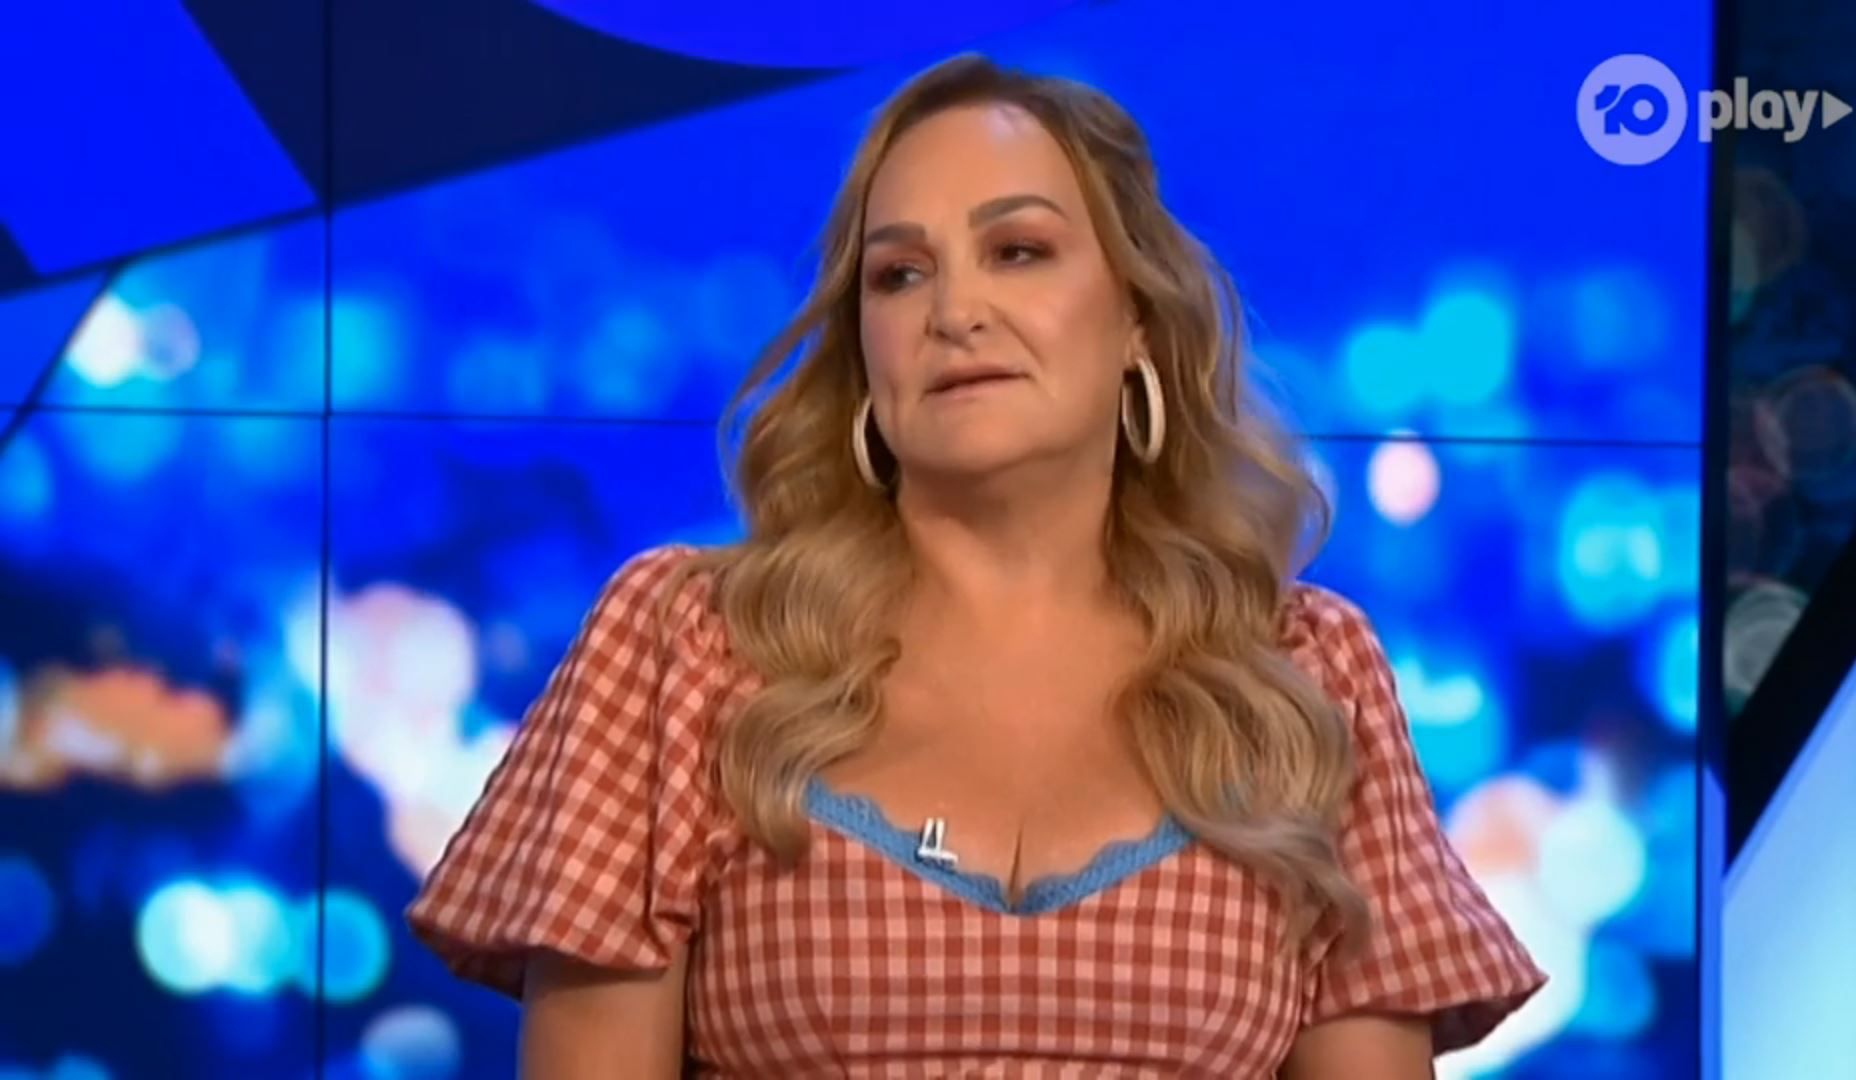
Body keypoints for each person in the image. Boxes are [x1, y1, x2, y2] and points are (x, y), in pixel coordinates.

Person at [406, 52, 1546, 1078]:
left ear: (1136, 320)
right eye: (900, 275)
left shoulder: (1306, 678)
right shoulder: (683, 646)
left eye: (1018, 252)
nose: (955, 310)